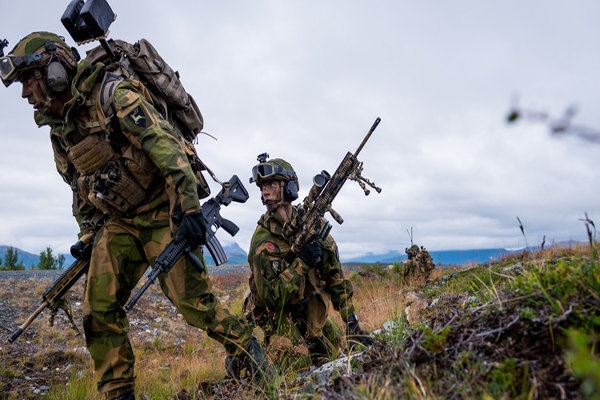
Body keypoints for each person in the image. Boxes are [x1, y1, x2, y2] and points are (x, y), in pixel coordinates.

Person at [1, 32, 271, 400]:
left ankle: (250, 353)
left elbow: (167, 148)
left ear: (54, 71)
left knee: (194, 305)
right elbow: (78, 186)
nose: (24, 93)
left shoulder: (113, 94)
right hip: (119, 223)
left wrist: (189, 209)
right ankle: (118, 393)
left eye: (28, 80)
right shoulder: (60, 131)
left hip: (162, 210)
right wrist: (86, 235)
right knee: (99, 308)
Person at [243, 155, 373, 371]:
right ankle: (248, 362)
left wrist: (352, 324)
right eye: (263, 186)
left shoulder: (310, 225)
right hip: (277, 314)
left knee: (335, 346)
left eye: (272, 185)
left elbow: (335, 275)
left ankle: (308, 341)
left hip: (305, 306)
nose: (265, 191)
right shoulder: (263, 240)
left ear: (289, 187)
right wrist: (301, 262)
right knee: (297, 364)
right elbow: (272, 299)